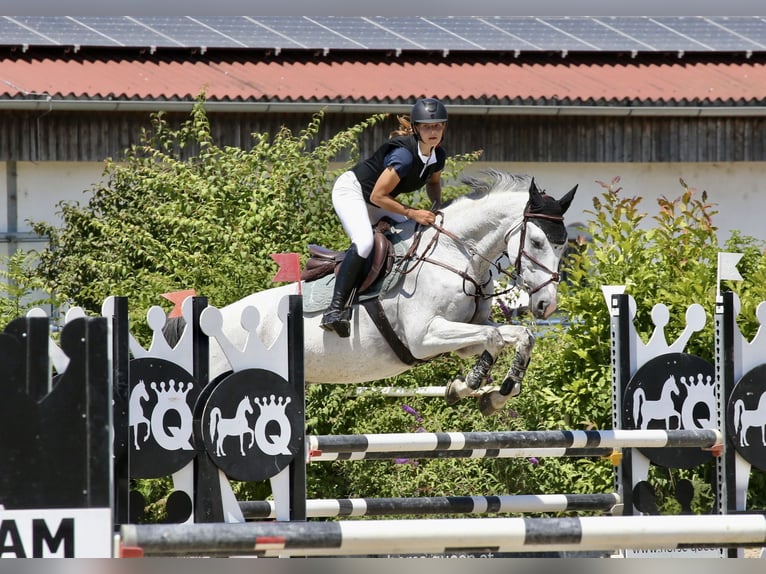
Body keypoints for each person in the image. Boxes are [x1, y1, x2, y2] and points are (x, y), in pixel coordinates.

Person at [320, 97, 449, 337]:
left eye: (438, 126)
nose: (434, 131)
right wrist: (412, 212)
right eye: (427, 126)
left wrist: (436, 206)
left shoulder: (437, 155)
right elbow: (379, 196)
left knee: (414, 231)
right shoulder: (404, 156)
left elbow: (434, 182)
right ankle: (334, 310)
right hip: (353, 190)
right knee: (365, 241)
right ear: (416, 128)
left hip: (377, 198)